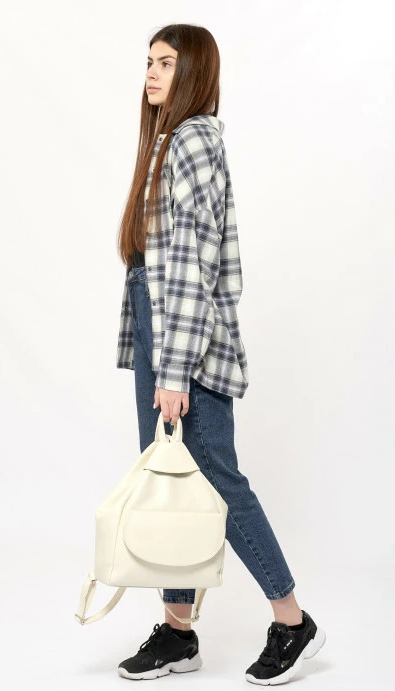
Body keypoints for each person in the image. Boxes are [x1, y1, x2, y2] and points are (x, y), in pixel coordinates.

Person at [115, 24, 326, 684]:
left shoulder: (195, 139)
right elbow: (156, 263)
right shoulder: (167, 140)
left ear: (194, 72)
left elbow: (193, 266)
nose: (152, 73)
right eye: (149, 61)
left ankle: (292, 619)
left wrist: (174, 368)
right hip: (160, 327)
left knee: (215, 479)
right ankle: (179, 633)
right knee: (171, 484)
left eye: (166, 62)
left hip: (187, 340)